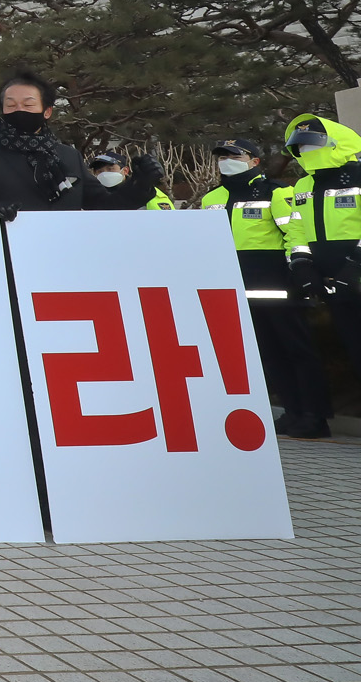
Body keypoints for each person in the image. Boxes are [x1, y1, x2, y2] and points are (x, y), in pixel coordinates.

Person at [200, 138, 330, 439]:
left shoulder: (277, 192)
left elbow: (294, 233)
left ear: (254, 161)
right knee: (269, 356)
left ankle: (315, 415)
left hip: (278, 287)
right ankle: (292, 411)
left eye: (234, 156)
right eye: (221, 157)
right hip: (238, 289)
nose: (225, 161)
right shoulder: (211, 198)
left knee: (298, 351)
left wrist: (299, 269)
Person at [274, 114, 361, 401]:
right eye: (300, 147)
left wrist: (356, 265)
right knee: (355, 350)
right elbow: (296, 229)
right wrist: (301, 263)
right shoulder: (303, 187)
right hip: (335, 284)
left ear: (336, 143)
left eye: (312, 145)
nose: (305, 152)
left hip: (354, 273)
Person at [0, 70, 84, 217]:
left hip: (64, 237)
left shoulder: (69, 155)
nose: (19, 110)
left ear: (47, 111)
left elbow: (100, 199)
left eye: (28, 104)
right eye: (11, 105)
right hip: (10, 238)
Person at [81, 153, 174, 211]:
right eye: (100, 171)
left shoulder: (149, 192)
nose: (105, 174)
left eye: (110, 169)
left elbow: (167, 223)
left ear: (125, 171)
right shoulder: (92, 197)